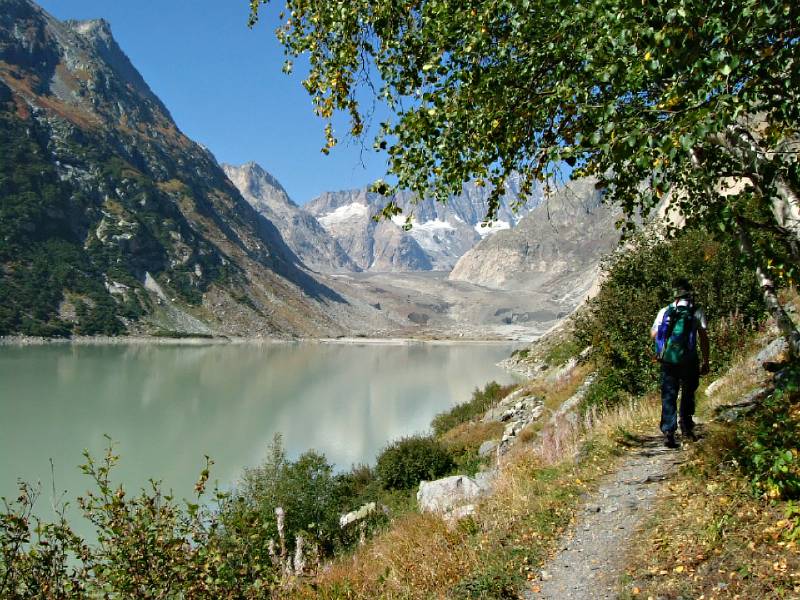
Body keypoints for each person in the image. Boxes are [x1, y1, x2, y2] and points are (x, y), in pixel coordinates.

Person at [650, 278, 710, 448]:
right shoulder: (697, 311)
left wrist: (664, 334)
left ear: (675, 294)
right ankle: (686, 427)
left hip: (668, 360)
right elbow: (704, 338)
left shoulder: (665, 311)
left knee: (669, 394)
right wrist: (706, 361)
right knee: (688, 392)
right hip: (689, 359)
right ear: (689, 293)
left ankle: (669, 432)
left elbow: (653, 334)